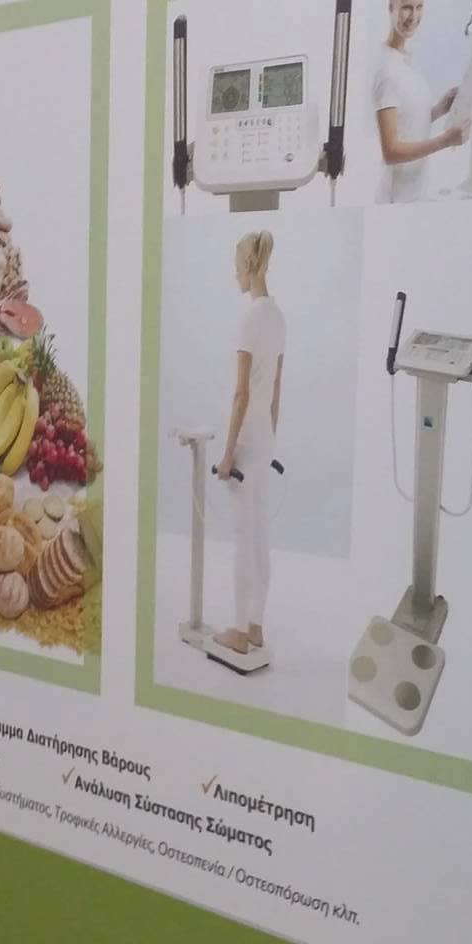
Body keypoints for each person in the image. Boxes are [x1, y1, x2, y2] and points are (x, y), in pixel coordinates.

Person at [214, 230, 285, 659]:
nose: (234, 274)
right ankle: (256, 625)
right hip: (265, 438)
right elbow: (274, 391)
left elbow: (241, 394)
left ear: (248, 266)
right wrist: (268, 441)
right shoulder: (278, 318)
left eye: (236, 266)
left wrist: (227, 455)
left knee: (243, 536)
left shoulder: (249, 320)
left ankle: (239, 632)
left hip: (246, 440)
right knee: (260, 534)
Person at [373, 0, 470, 204]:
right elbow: (391, 151)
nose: (413, 16)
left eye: (419, 7)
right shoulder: (386, 70)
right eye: (406, 7)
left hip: (416, 194)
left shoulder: (406, 59)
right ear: (391, 7)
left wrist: (438, 110)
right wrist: (445, 141)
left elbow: (407, 122)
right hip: (396, 202)